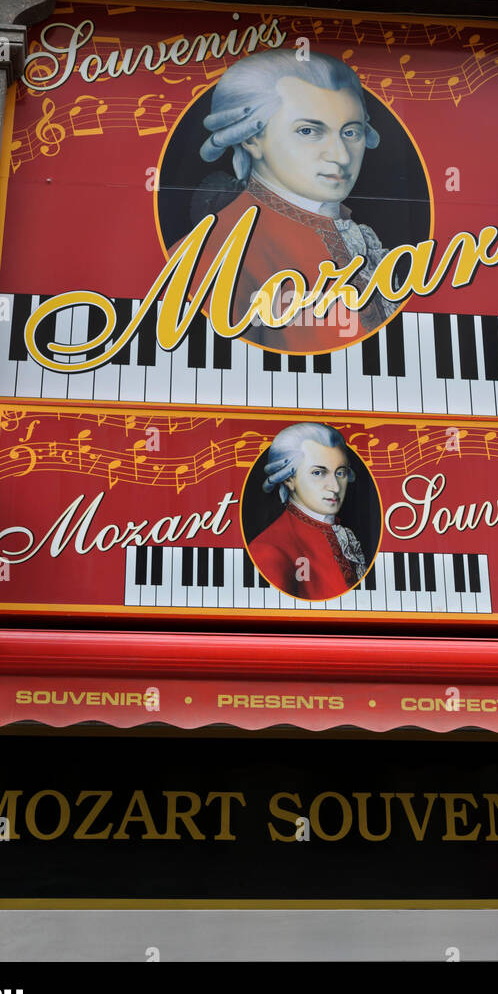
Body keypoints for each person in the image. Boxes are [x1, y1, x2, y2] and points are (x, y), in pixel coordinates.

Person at [184, 49, 398, 352]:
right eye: (309, 131)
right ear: (251, 139)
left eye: (351, 132)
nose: (340, 156)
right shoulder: (209, 255)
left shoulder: (355, 233)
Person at [247, 422, 370, 601]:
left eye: (340, 473)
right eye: (318, 473)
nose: (335, 487)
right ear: (289, 479)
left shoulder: (341, 532)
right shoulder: (270, 549)